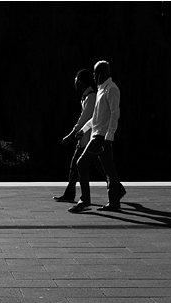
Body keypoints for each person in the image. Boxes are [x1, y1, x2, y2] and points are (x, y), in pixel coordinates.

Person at [69, 60, 127, 213]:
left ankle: (85, 201)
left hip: (101, 137)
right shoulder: (101, 89)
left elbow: (115, 115)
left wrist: (109, 137)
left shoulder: (112, 90)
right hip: (97, 134)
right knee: (109, 170)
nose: (93, 77)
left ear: (101, 73)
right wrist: (84, 129)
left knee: (82, 163)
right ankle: (114, 201)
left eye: (95, 74)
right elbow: (95, 117)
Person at [53, 69, 97, 203]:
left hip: (89, 138)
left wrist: (70, 135)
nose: (75, 83)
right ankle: (70, 193)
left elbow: (84, 119)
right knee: (85, 165)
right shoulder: (86, 97)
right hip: (84, 138)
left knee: (78, 165)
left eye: (77, 81)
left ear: (82, 82)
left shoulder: (91, 97)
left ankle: (74, 195)